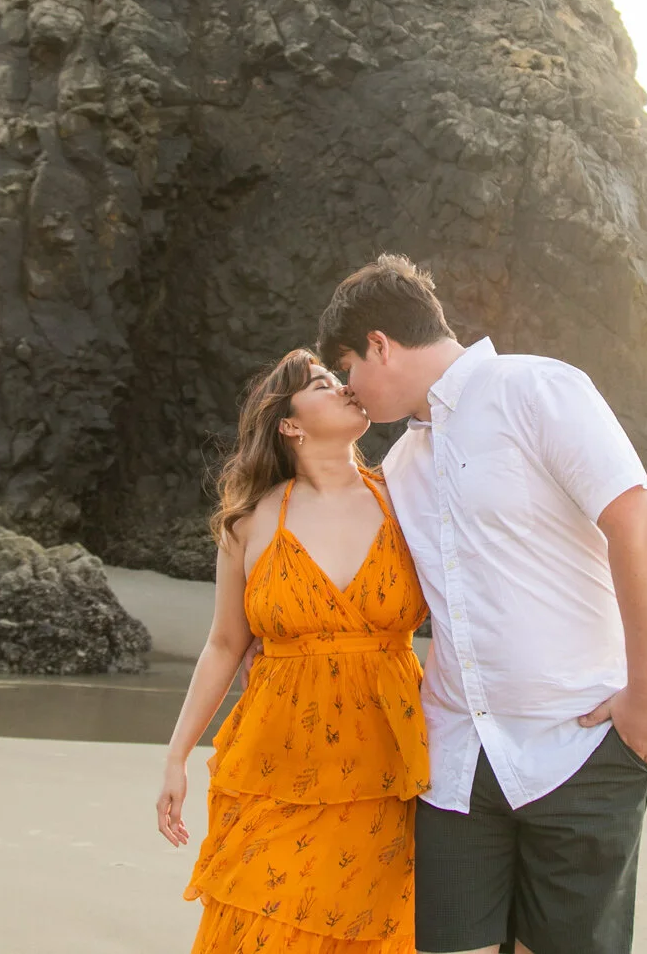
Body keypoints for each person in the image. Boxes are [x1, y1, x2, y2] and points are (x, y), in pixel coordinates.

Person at [316, 254, 647, 954]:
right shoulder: (398, 467)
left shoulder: (537, 389)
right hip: (457, 766)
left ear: (381, 345)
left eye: (348, 369)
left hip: (580, 744)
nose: (351, 392)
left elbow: (638, 523)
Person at [159, 347, 431, 954]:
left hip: (386, 764)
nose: (344, 387)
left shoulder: (407, 499)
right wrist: (176, 756)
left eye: (340, 378)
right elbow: (225, 644)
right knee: (256, 926)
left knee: (368, 930)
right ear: (289, 423)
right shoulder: (250, 522)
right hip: (274, 763)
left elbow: (473, 612)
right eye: (322, 383)